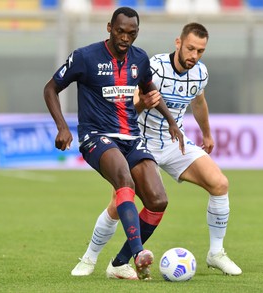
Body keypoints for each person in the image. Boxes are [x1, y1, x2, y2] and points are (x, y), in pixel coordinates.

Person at [71, 22, 242, 279]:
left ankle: (215, 253)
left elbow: (199, 102)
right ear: (178, 43)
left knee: (219, 183)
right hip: (138, 140)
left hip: (174, 142)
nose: (194, 56)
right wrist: (144, 104)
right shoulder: (155, 67)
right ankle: (89, 258)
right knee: (119, 203)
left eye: (200, 51)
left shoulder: (200, 73)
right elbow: (128, 107)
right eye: (190, 48)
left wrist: (206, 134)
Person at [43, 7, 185, 281]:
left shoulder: (140, 59)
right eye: (120, 31)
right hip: (96, 136)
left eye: (131, 33)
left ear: (137, 33)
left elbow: (149, 91)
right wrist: (62, 126)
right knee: (125, 182)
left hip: (131, 137)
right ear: (109, 28)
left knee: (158, 201)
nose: (125, 38)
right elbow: (50, 88)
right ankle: (138, 253)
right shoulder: (85, 57)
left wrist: (171, 121)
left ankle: (119, 264)